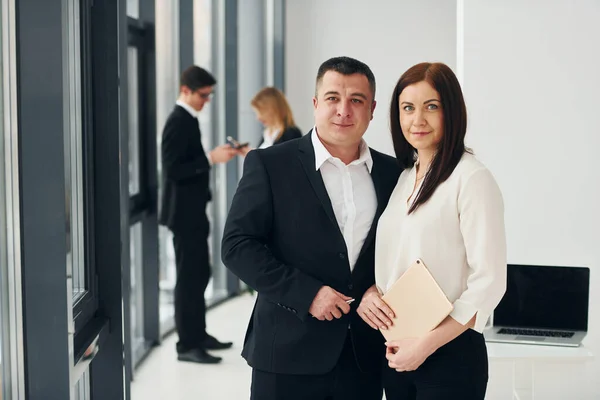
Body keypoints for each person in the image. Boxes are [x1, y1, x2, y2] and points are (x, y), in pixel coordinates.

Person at [221, 56, 401, 400]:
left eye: (356, 100)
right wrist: (309, 294)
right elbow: (237, 245)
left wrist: (379, 287)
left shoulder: (394, 174)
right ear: (316, 103)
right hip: (286, 352)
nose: (343, 110)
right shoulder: (270, 164)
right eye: (333, 98)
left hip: (362, 356)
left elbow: (400, 250)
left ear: (373, 109)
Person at [366, 62, 507, 399]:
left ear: (452, 111)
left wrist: (425, 345)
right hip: (399, 348)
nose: (418, 119)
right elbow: (398, 258)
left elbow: (489, 281)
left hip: (449, 352)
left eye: (432, 107)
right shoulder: (404, 178)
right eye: (408, 108)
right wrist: (373, 292)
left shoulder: (471, 178)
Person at [159, 65, 238, 364]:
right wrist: (210, 159)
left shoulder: (187, 120)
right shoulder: (178, 121)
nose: (206, 101)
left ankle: (198, 334)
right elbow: (173, 168)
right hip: (183, 215)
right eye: (203, 95)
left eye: (209, 95)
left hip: (192, 212)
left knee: (199, 273)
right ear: (185, 91)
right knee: (189, 277)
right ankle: (187, 345)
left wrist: (211, 157)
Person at [238, 87, 302, 156]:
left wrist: (254, 155)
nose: (258, 118)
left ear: (273, 110)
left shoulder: (291, 134)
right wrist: (251, 154)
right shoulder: (267, 134)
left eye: (261, 112)